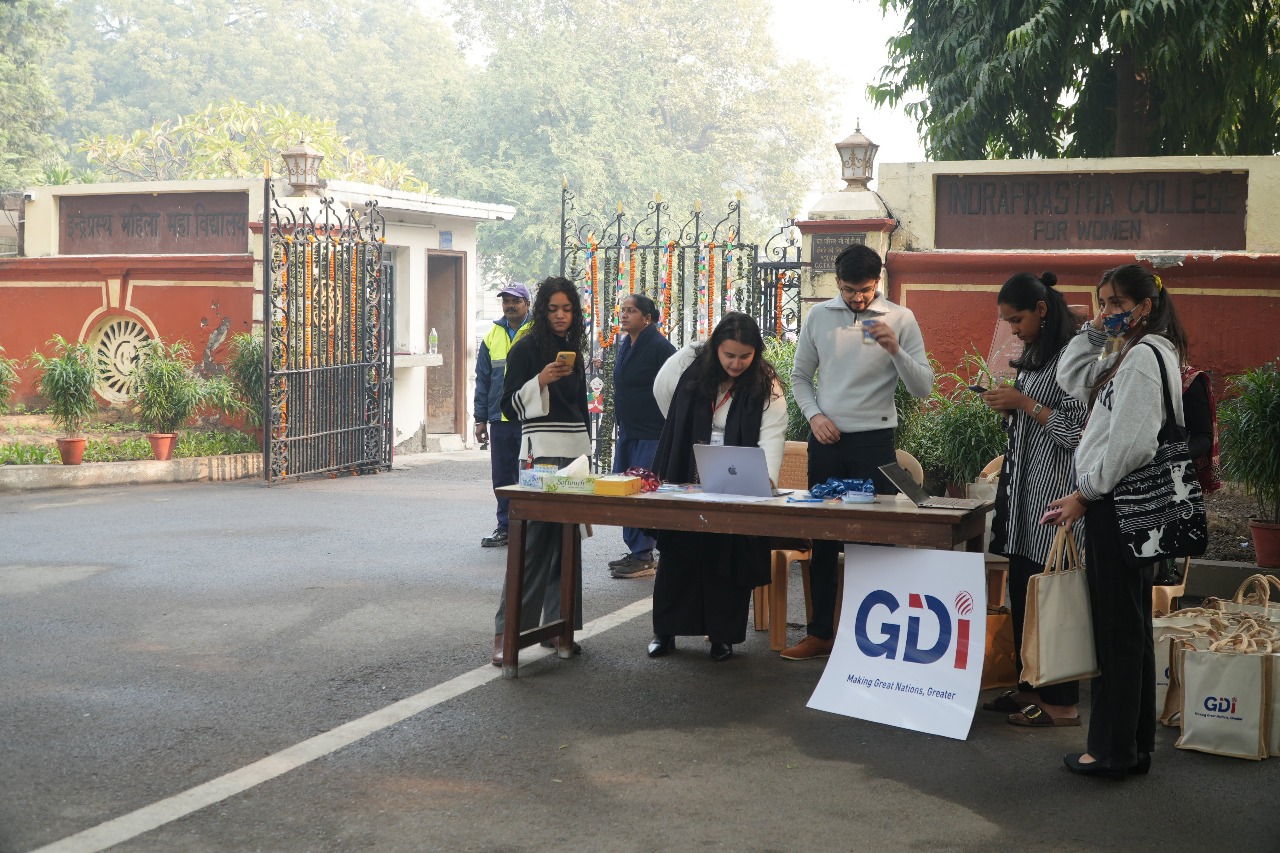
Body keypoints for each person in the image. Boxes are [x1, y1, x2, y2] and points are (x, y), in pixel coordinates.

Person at [1047, 263, 1191, 779]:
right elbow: (1071, 379)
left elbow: (1132, 443)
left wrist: (1085, 494)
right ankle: (1130, 748)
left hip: (1116, 506)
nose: (1106, 312)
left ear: (1145, 306)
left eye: (1114, 304)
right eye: (1102, 302)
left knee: (1117, 630)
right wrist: (1094, 330)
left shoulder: (1142, 360)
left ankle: (1109, 752)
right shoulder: (1133, 352)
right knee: (1127, 628)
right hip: (1120, 505)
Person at [782, 243, 934, 661]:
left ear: (878, 282)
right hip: (826, 440)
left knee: (877, 541)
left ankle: (877, 640)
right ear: (837, 283)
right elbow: (799, 378)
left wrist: (894, 349)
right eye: (850, 290)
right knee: (825, 540)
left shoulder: (900, 318)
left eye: (865, 290)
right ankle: (820, 634)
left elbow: (923, 386)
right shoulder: (819, 316)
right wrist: (814, 417)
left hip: (875, 442)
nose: (858, 298)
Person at [977, 272, 1086, 727]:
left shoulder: (1077, 354)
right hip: (1023, 501)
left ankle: (1061, 702)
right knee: (1025, 594)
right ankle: (1029, 687)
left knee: (1053, 603)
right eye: (1006, 321)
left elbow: (1078, 431)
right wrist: (1009, 407)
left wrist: (1023, 403)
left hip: (1055, 500)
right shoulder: (1037, 351)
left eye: (1016, 319)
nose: (1012, 329)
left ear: (1042, 309)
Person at [646, 312, 788, 662]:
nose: (737, 363)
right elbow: (665, 392)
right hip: (687, 475)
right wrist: (681, 434)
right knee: (678, 553)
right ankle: (665, 631)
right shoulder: (693, 364)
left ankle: (721, 636)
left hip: (736, 479)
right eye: (729, 355)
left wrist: (766, 477)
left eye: (745, 356)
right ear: (716, 349)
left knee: (726, 556)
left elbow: (772, 433)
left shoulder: (765, 383)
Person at [491, 277, 590, 666]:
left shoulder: (573, 346)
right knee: (531, 544)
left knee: (568, 545)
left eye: (568, 309)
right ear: (542, 309)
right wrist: (540, 381)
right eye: (554, 309)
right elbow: (509, 406)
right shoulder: (526, 347)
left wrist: (588, 454)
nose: (562, 316)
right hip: (541, 455)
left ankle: (559, 627)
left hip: (576, 452)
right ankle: (506, 632)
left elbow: (580, 406)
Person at [607, 294, 677, 579]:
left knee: (642, 490)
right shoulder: (626, 344)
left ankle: (644, 555)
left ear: (647, 318)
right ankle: (635, 551)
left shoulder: (661, 347)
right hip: (629, 430)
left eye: (631, 311)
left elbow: (675, 386)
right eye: (622, 310)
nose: (624, 315)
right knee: (626, 490)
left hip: (651, 432)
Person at [474, 282, 532, 548]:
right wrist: (480, 418)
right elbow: (483, 380)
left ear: (527, 305)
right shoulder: (492, 335)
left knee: (530, 474)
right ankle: (505, 527)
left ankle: (531, 527)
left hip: (530, 417)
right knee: (502, 476)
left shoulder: (537, 332)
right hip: (500, 418)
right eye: (506, 301)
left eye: (516, 301)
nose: (510, 305)